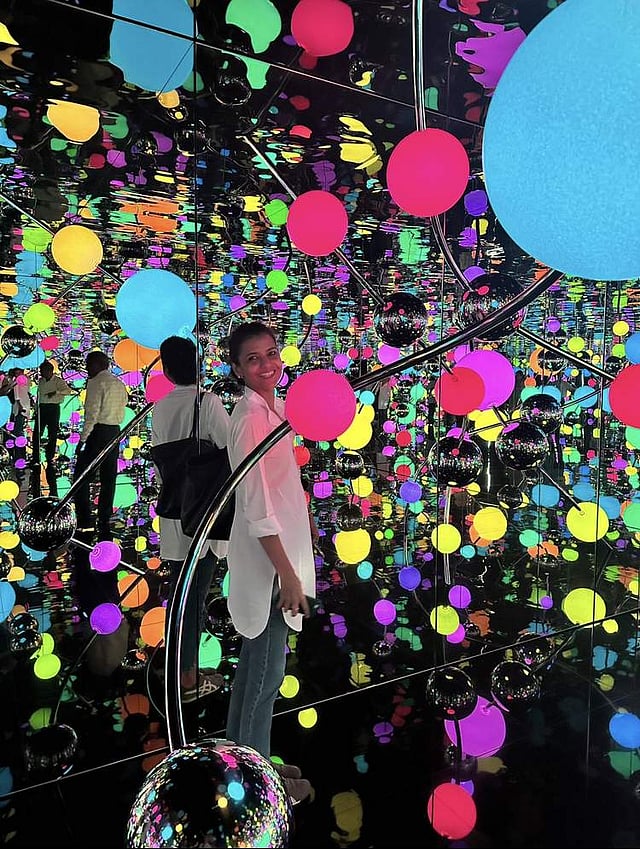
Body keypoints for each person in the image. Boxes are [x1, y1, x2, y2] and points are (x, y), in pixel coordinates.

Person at [225, 320, 317, 804]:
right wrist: (287, 575)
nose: (267, 364)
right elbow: (256, 507)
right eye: (254, 359)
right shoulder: (249, 419)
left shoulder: (274, 409)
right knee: (265, 679)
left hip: (279, 558)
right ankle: (257, 788)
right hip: (268, 568)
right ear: (237, 368)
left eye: (271, 353)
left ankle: (245, 764)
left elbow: (278, 491)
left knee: (253, 677)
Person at [151, 335, 229, 703]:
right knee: (196, 597)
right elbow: (234, 452)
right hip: (204, 514)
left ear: (166, 370)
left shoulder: (160, 408)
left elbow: (159, 464)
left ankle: (178, 666)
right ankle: (186, 677)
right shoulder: (208, 403)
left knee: (180, 595)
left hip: (173, 512)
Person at [73, 350, 128, 539]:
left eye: (89, 364)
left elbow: (92, 413)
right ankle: (104, 517)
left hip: (98, 431)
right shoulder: (119, 383)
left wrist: (82, 440)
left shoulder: (96, 383)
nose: (87, 369)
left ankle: (84, 518)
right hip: (114, 431)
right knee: (108, 477)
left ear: (97, 365)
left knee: (81, 476)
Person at [35, 360, 75, 465]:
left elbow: (68, 391)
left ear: (50, 371)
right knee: (37, 432)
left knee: (52, 433)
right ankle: (35, 456)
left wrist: (56, 392)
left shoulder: (58, 381)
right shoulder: (41, 381)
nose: (41, 373)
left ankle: (50, 456)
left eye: (42, 371)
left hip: (53, 408)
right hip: (42, 407)